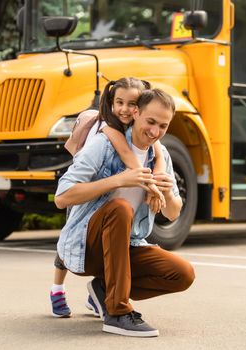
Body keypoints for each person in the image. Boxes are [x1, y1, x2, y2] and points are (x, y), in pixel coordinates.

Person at [54, 88, 195, 337]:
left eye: (163, 126)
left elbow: (173, 213)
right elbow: (62, 196)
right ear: (136, 112)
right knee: (120, 208)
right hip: (86, 246)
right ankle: (117, 312)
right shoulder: (104, 144)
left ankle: (104, 289)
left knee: (182, 274)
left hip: (128, 245)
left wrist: (168, 193)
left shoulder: (160, 157)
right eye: (150, 122)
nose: (154, 132)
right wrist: (118, 180)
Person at [50, 77, 167, 318]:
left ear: (139, 108)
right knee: (70, 237)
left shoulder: (143, 131)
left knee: (113, 239)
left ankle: (101, 293)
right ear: (111, 103)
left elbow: (157, 150)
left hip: (111, 198)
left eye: (131, 103)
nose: (124, 109)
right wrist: (149, 185)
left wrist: (158, 175)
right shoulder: (107, 128)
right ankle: (57, 289)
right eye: (119, 102)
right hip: (86, 190)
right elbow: (126, 154)